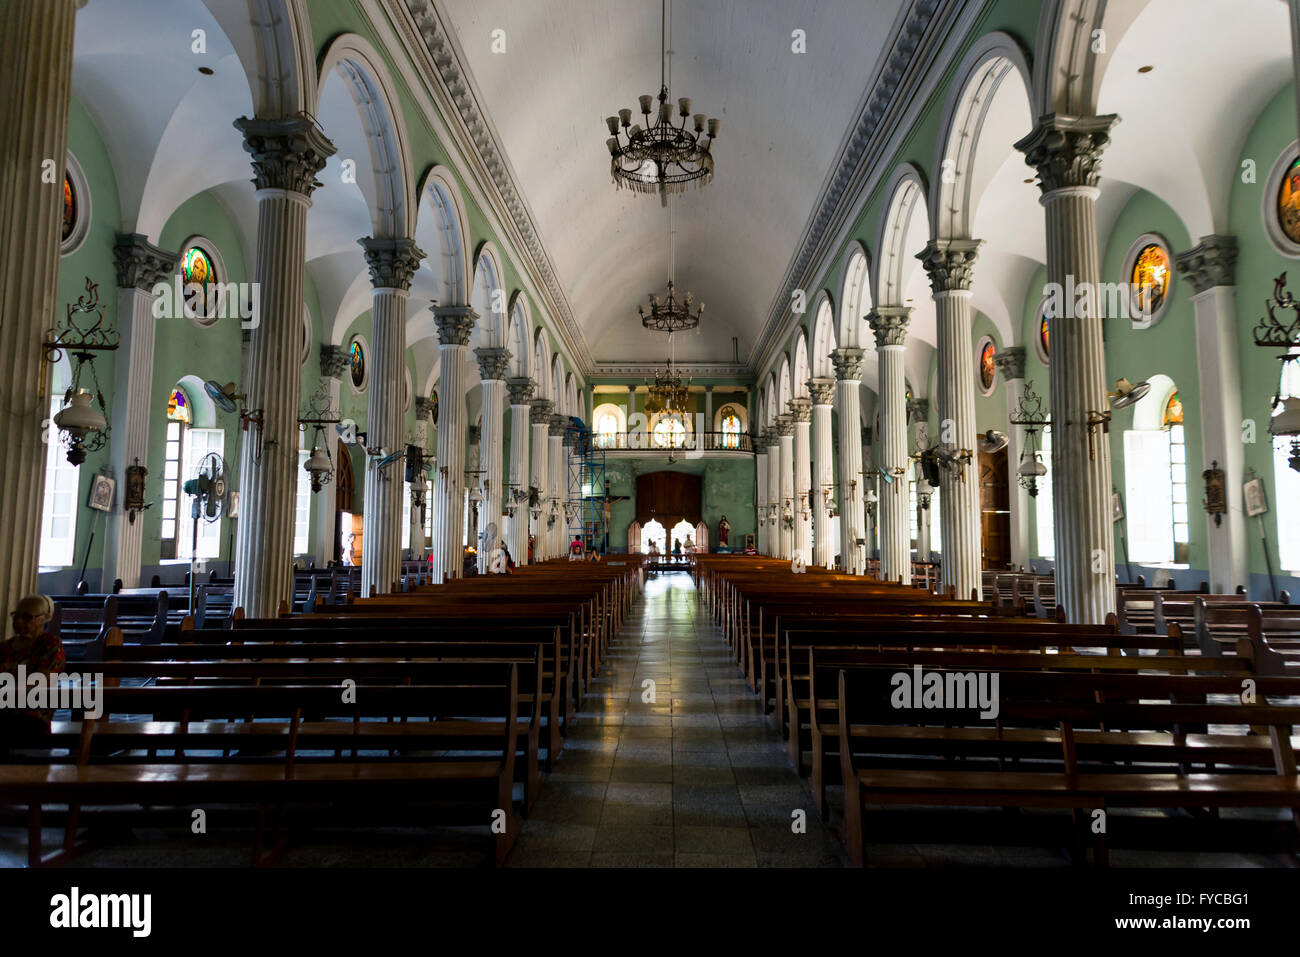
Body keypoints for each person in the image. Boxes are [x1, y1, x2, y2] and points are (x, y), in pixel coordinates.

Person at [1, 595, 65, 745]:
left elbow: (41, 680)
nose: (18, 621)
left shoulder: (50, 645)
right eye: (16, 616)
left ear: (43, 618)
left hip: (32, 713)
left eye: (27, 617)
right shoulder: (5, 647)